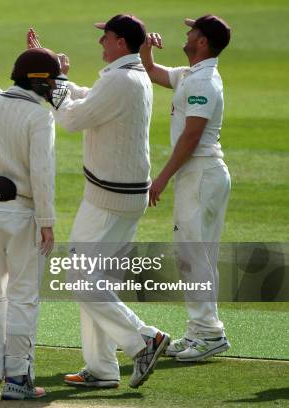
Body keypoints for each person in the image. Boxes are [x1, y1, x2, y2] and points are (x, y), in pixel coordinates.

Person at [29, 15, 170, 389]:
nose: (100, 43)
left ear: (122, 42)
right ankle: (102, 368)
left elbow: (73, 120)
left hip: (110, 199)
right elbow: (88, 98)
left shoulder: (122, 79)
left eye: (105, 37)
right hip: (118, 195)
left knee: (81, 280)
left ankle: (145, 340)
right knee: (97, 281)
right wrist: (56, 79)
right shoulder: (127, 75)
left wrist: (51, 80)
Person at [140, 15, 232, 361]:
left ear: (203, 42)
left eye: (193, 31)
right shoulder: (191, 74)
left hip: (201, 172)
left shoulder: (205, 82)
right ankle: (201, 331)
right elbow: (153, 73)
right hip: (199, 175)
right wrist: (146, 52)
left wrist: (161, 179)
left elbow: (191, 137)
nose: (188, 34)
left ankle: (208, 333)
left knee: (193, 254)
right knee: (197, 255)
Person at [0, 47, 64, 400]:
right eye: (52, 80)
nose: (55, 86)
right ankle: (17, 378)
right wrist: (47, 221)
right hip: (23, 212)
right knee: (24, 297)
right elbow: (42, 173)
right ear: (37, 81)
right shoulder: (40, 117)